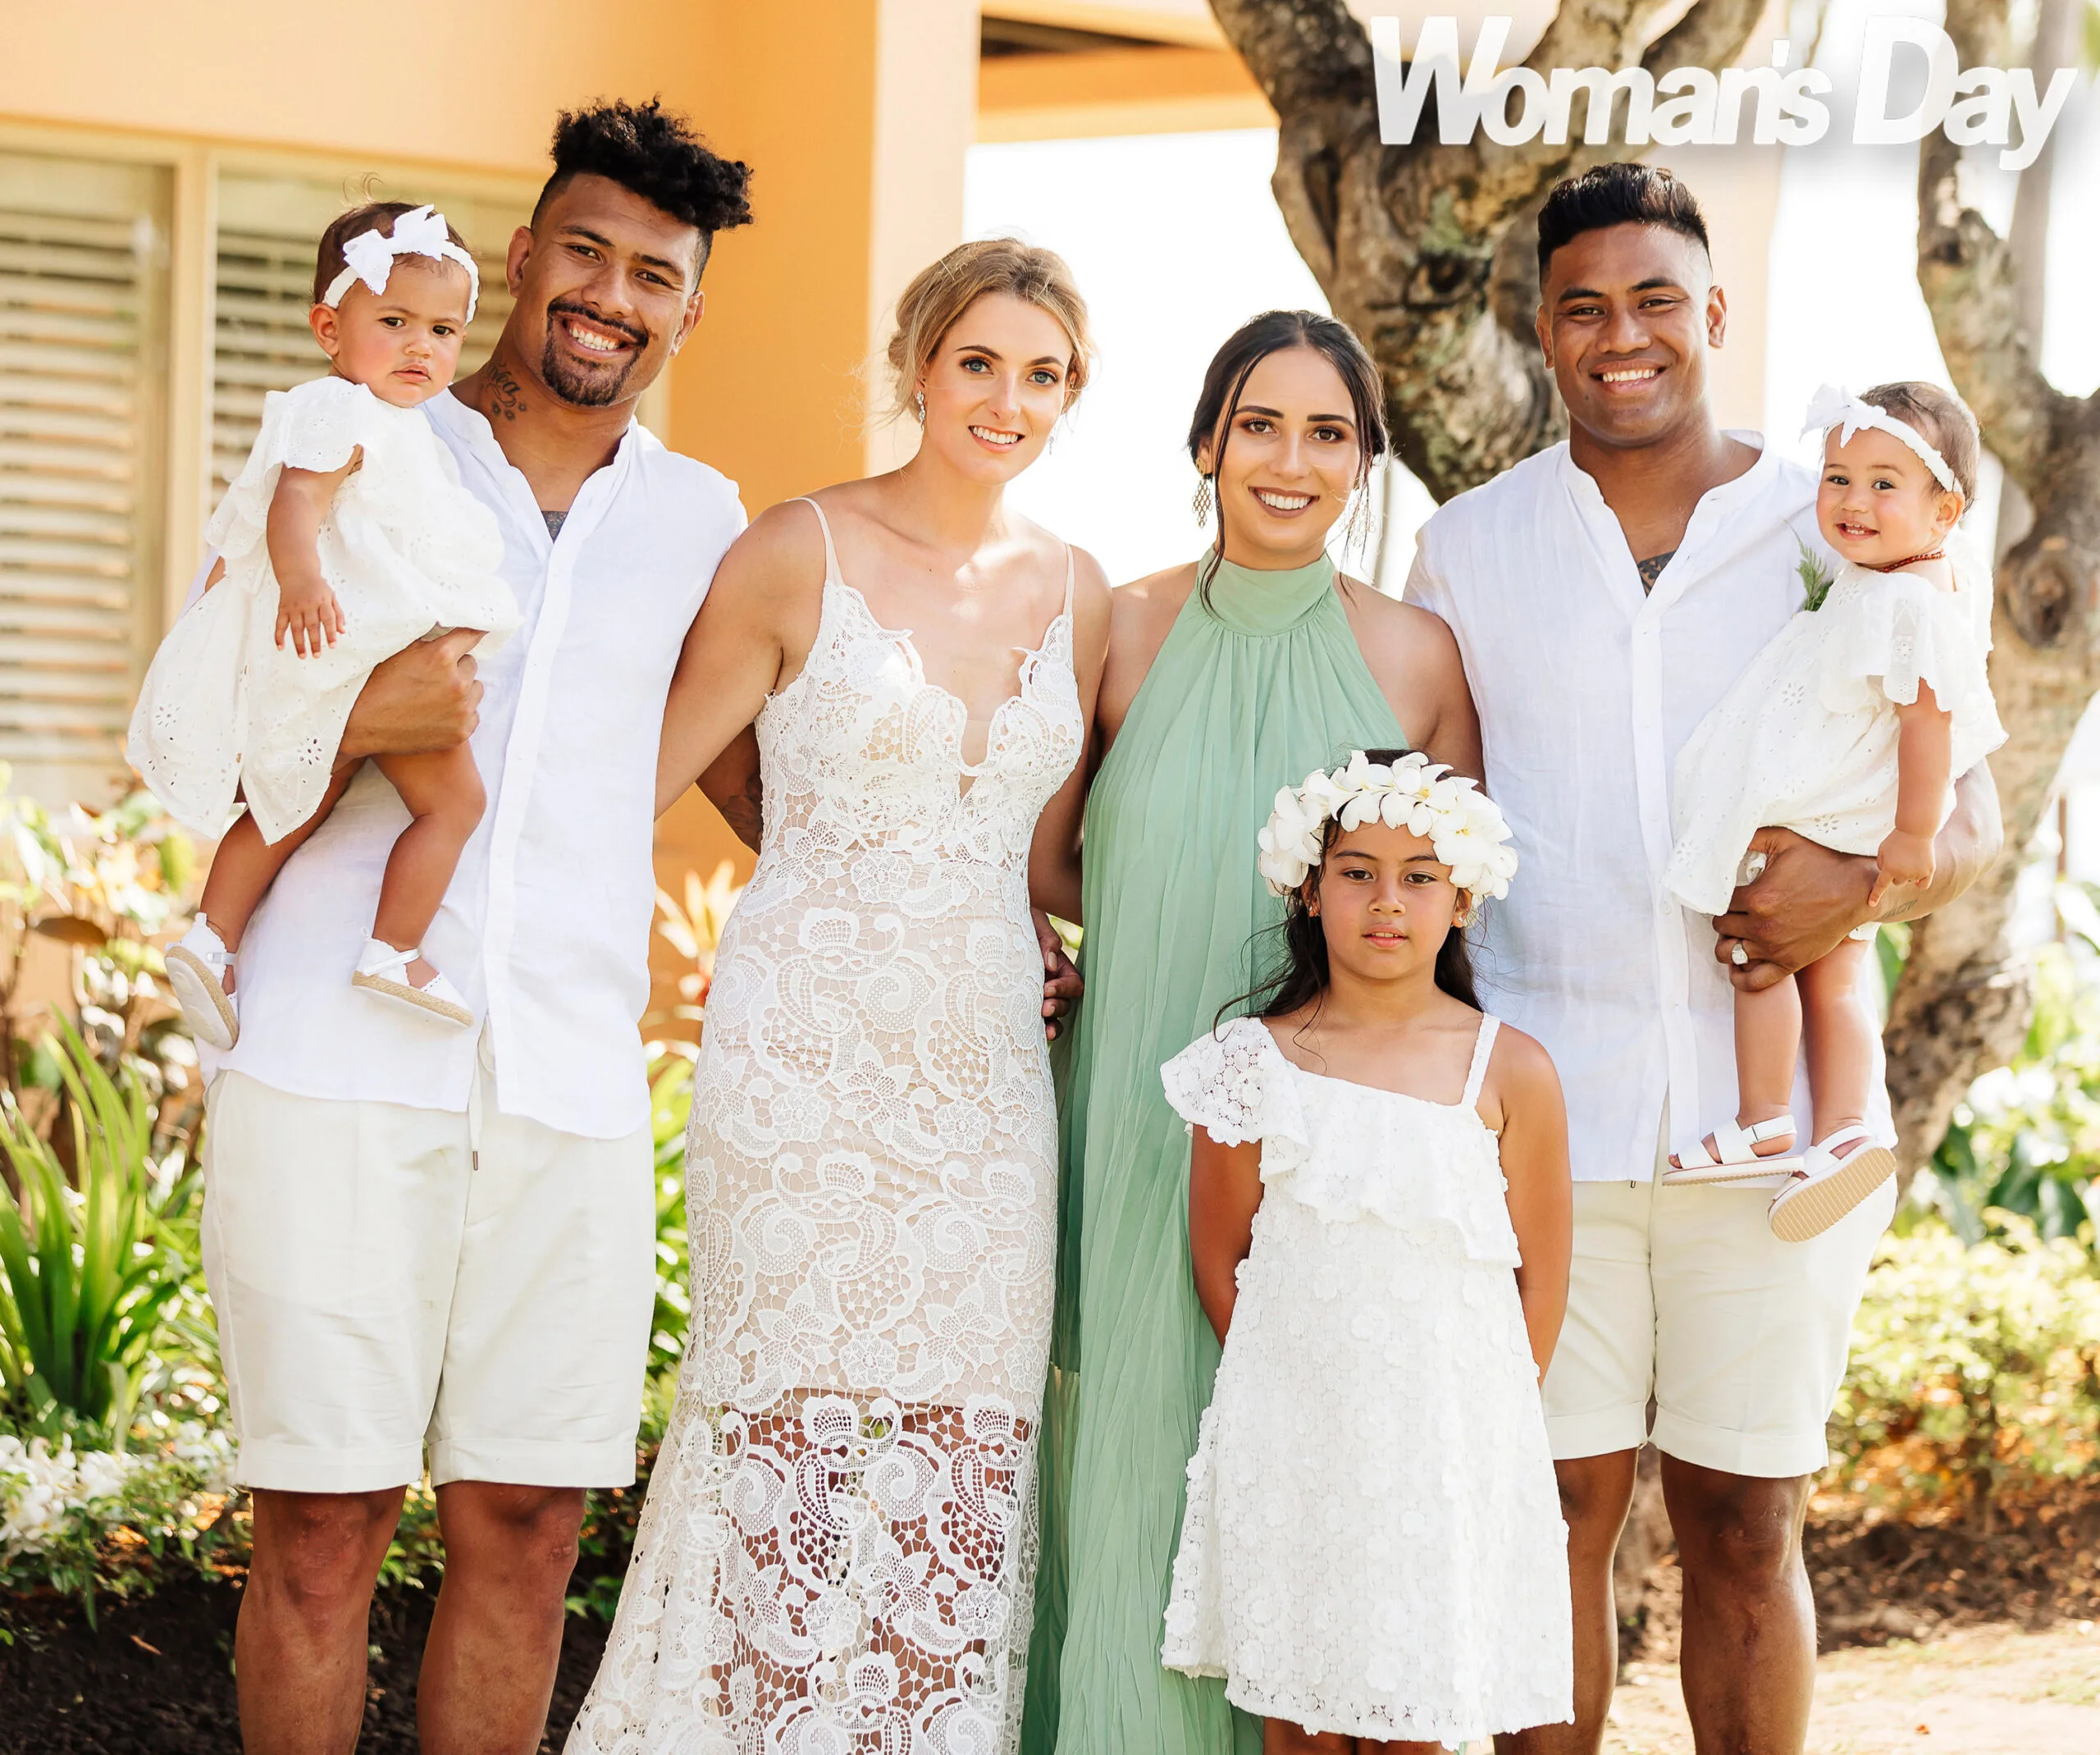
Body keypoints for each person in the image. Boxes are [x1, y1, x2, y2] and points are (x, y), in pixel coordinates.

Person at [1404, 163, 2002, 1755]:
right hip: (1543, 1117)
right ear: (1537, 328)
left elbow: (1969, 817)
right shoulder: (1467, 547)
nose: (1623, 336)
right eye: (1582, 307)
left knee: (1743, 1521)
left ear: (1714, 313)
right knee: (1553, 1513)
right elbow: (1421, 821)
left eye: (1656, 298)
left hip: (1773, 1138)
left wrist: (1847, 891)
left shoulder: (1848, 510)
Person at [193, 101, 754, 1755]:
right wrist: (365, 717)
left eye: (653, 275)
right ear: (521, 256)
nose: (609, 297)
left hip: (571, 1078)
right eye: (584, 252)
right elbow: (202, 713)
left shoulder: (703, 521)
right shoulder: (358, 442)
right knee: (323, 1528)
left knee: (527, 1527)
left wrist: (996, 921)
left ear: (690, 309)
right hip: (332, 1049)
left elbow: (763, 778)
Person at [565, 237, 1112, 1753]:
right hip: (801, 1064)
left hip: (988, 1081)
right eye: (980, 362)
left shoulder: (1078, 589)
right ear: (920, 364)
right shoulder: (795, 547)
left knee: (963, 1455)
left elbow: (1048, 847)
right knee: (786, 1448)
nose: (1007, 399)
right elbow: (642, 777)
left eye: (1044, 374)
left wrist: (1082, 939)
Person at [1025, 311, 1482, 1755]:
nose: (1291, 459)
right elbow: (1044, 856)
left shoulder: (1416, 655)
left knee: (1302, 1464)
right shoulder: (1115, 626)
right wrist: (1077, 945)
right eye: (1260, 425)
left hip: (1330, 1135)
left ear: (1364, 460)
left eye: (1327, 432)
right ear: (1207, 443)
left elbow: (1452, 902)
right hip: (1130, 1095)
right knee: (1135, 1442)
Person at [1164, 749, 1573, 1751]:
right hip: (1296, 1439)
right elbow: (1219, 1259)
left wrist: (1478, 1430)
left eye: (1418, 877)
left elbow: (1542, 1275)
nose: (1386, 901)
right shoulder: (1250, 1064)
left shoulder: (1510, 1070)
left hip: (1444, 1445)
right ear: (1309, 891)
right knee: (1300, 1713)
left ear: (1462, 900)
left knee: (1415, 1713)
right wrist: (1296, 1399)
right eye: (1356, 873)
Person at [135, 202, 518, 1044]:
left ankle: (211, 940)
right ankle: (395, 947)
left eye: (444, 331)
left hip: (344, 648)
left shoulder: (398, 426)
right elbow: (295, 502)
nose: (421, 347)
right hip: (353, 639)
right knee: (456, 804)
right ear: (329, 329)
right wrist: (304, 580)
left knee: (300, 793)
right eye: (394, 323)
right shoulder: (341, 411)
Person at [1663, 382, 2003, 1239]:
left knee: (1761, 954)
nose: (1853, 501)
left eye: (1884, 484)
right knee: (1832, 974)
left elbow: (1929, 723)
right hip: (1836, 818)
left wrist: (1913, 837)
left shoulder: (1909, 603)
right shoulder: (1894, 579)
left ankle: (1765, 1118)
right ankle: (1843, 1128)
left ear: (1945, 510)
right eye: (1837, 478)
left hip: (1827, 821)